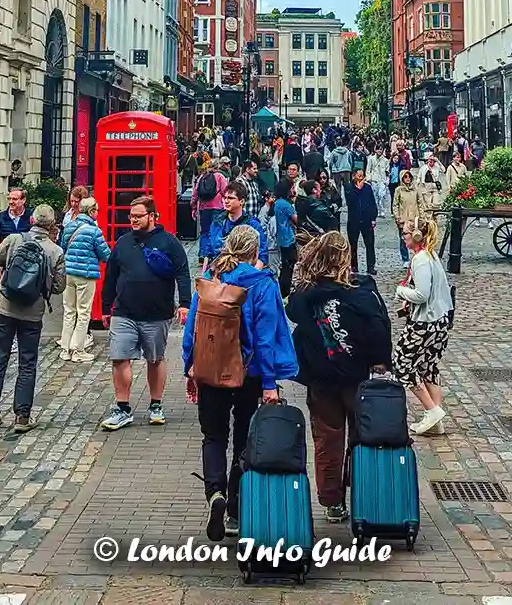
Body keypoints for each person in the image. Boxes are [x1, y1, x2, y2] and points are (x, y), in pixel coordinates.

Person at [184, 224, 299, 542]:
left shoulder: (211, 278)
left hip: (209, 369)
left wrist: (189, 366)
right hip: (248, 374)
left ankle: (214, 493)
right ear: (254, 250)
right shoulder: (262, 284)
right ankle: (234, 507)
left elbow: (193, 326)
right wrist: (270, 382)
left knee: (213, 436)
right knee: (244, 440)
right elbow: (265, 338)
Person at [286, 232, 392, 523]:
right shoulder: (361, 292)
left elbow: (293, 310)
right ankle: (363, 493)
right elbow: (379, 328)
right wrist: (382, 360)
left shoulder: (306, 294)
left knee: (327, 439)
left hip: (320, 378)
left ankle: (332, 500)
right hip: (357, 377)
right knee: (362, 437)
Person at [100, 195, 192, 431]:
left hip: (156, 313)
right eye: (131, 216)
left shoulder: (169, 242)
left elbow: (182, 272)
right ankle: (122, 407)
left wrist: (184, 303)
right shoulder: (122, 242)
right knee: (119, 358)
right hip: (124, 312)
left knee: (155, 359)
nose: (133, 220)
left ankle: (156, 404)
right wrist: (105, 306)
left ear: (152, 216)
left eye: (138, 216)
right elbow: (110, 275)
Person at [0, 205, 66, 432]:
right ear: (52, 225)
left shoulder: (15, 239)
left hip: (4, 307)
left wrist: (6, 265)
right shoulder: (55, 251)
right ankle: (22, 417)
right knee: (27, 364)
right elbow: (59, 287)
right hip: (32, 313)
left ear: (32, 219)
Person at [394, 216, 454, 435]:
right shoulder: (430, 255)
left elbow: (422, 294)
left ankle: (431, 411)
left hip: (425, 323)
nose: (403, 237)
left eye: (406, 234)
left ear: (417, 236)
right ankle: (436, 421)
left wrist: (401, 291)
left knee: (402, 364)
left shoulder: (421, 259)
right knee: (428, 366)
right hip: (440, 321)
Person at [59, 196, 110, 362]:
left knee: (69, 311)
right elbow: (105, 255)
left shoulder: (69, 227)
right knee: (83, 313)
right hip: (85, 276)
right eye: (96, 210)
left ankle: (65, 349)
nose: (97, 213)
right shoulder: (94, 230)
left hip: (68, 274)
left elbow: (63, 248)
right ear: (91, 211)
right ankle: (78, 350)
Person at [209, 185, 269, 271]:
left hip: (244, 273)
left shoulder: (253, 225)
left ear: (242, 201)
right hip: (219, 272)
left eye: (231, 198)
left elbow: (262, 254)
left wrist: (251, 275)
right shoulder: (217, 222)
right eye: (225, 197)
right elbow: (210, 252)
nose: (226, 201)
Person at [344, 166, 380, 277]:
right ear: (354, 176)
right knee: (353, 244)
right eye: (359, 176)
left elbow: (372, 203)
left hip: (367, 220)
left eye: (362, 176)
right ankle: (354, 266)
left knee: (369, 244)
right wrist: (358, 190)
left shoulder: (368, 188)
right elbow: (350, 201)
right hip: (354, 220)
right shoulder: (348, 187)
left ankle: (371, 266)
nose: (361, 178)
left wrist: (374, 218)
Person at [193, 161, 228, 262]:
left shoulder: (202, 177)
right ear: (217, 167)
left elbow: (195, 194)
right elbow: (225, 192)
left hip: (204, 208)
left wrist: (193, 207)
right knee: (216, 230)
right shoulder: (220, 177)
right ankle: (213, 253)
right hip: (217, 207)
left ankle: (203, 253)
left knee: (205, 231)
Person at [268, 184, 300, 293]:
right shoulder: (286, 205)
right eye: (291, 188)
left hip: (279, 239)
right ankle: (284, 290)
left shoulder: (276, 203)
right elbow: (296, 220)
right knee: (288, 266)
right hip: (287, 238)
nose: (293, 190)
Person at [393, 171, 423, 262]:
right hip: (403, 219)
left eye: (409, 176)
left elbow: (420, 203)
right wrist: (397, 216)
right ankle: (405, 259)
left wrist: (421, 216)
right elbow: (395, 204)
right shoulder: (399, 190)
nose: (407, 178)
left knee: (417, 238)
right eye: (405, 177)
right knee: (404, 240)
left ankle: (417, 256)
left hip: (414, 219)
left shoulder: (415, 190)